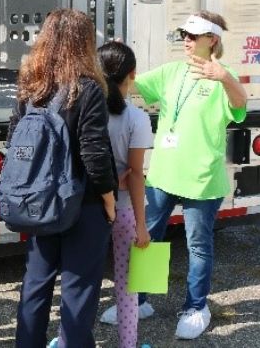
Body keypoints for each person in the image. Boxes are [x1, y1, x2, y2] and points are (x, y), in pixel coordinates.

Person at [134, 10, 247, 340]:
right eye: (184, 33)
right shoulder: (171, 71)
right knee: (148, 239)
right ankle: (140, 301)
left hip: (202, 178)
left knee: (198, 246)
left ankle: (196, 307)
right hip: (163, 174)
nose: (186, 39)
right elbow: (133, 84)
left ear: (212, 40)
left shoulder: (224, 76)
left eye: (193, 35)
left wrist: (224, 77)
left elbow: (241, 107)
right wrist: (116, 60)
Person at [12, 8, 117, 348]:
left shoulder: (30, 86)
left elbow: (15, 142)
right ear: (84, 43)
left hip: (38, 201)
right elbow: (95, 153)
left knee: (36, 284)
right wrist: (108, 199)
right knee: (78, 288)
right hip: (81, 203)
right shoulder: (87, 89)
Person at [95, 41, 153, 347]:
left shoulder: (86, 111)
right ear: (132, 74)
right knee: (128, 285)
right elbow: (135, 175)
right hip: (126, 210)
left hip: (89, 207)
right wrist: (143, 226)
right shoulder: (137, 118)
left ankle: (70, 339)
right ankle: (127, 344)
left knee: (82, 281)